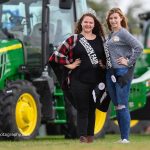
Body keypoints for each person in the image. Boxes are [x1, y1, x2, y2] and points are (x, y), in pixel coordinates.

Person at [49, 10, 107, 143]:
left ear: (94, 25)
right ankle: (82, 138)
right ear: (81, 24)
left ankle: (90, 138)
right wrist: (69, 64)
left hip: (96, 81)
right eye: (85, 22)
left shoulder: (100, 40)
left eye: (90, 22)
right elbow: (56, 55)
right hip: (78, 81)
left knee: (92, 109)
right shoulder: (73, 39)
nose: (88, 24)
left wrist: (103, 65)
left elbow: (105, 58)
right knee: (82, 109)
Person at [105, 8, 143, 143]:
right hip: (110, 73)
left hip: (122, 73)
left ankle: (125, 138)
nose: (113, 20)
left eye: (116, 18)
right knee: (116, 106)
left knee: (122, 105)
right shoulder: (110, 35)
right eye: (111, 18)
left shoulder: (123, 33)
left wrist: (128, 61)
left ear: (121, 18)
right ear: (108, 21)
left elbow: (139, 47)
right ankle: (122, 138)